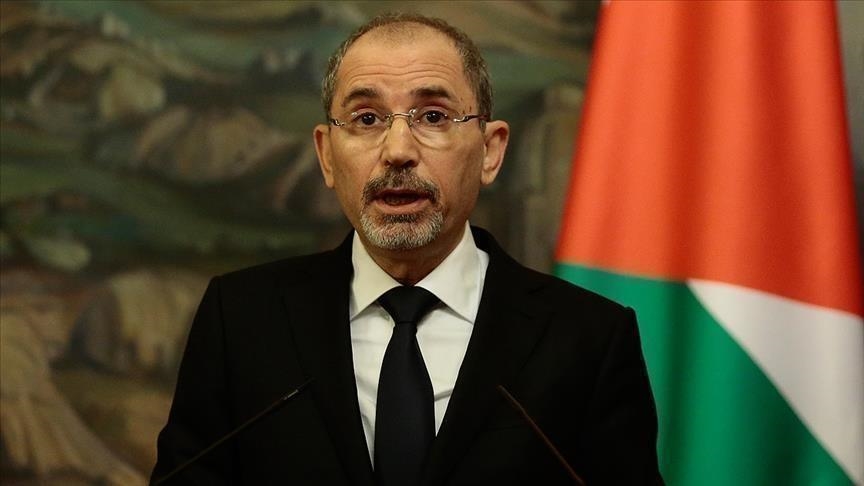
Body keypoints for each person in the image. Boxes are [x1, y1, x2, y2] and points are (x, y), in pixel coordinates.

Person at [152, 12, 662, 485]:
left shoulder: (588, 338)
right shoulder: (242, 319)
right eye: (366, 119)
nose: (397, 151)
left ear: (490, 151)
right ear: (326, 156)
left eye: (434, 116)